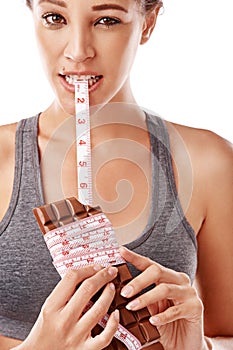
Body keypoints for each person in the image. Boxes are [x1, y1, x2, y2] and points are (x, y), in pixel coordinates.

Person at [0, 0, 232, 349]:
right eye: (55, 18)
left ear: (148, 22)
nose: (78, 51)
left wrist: (199, 346)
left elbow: (226, 333)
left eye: (106, 20)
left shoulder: (210, 163)